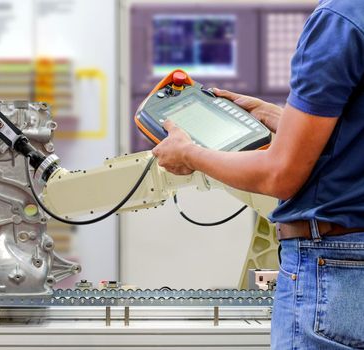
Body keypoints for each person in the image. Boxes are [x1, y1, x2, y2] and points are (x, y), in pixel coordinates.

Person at [152, 0, 364, 349]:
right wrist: (280, 118)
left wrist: (189, 153)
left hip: (335, 269)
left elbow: (280, 176)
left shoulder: (340, 20)